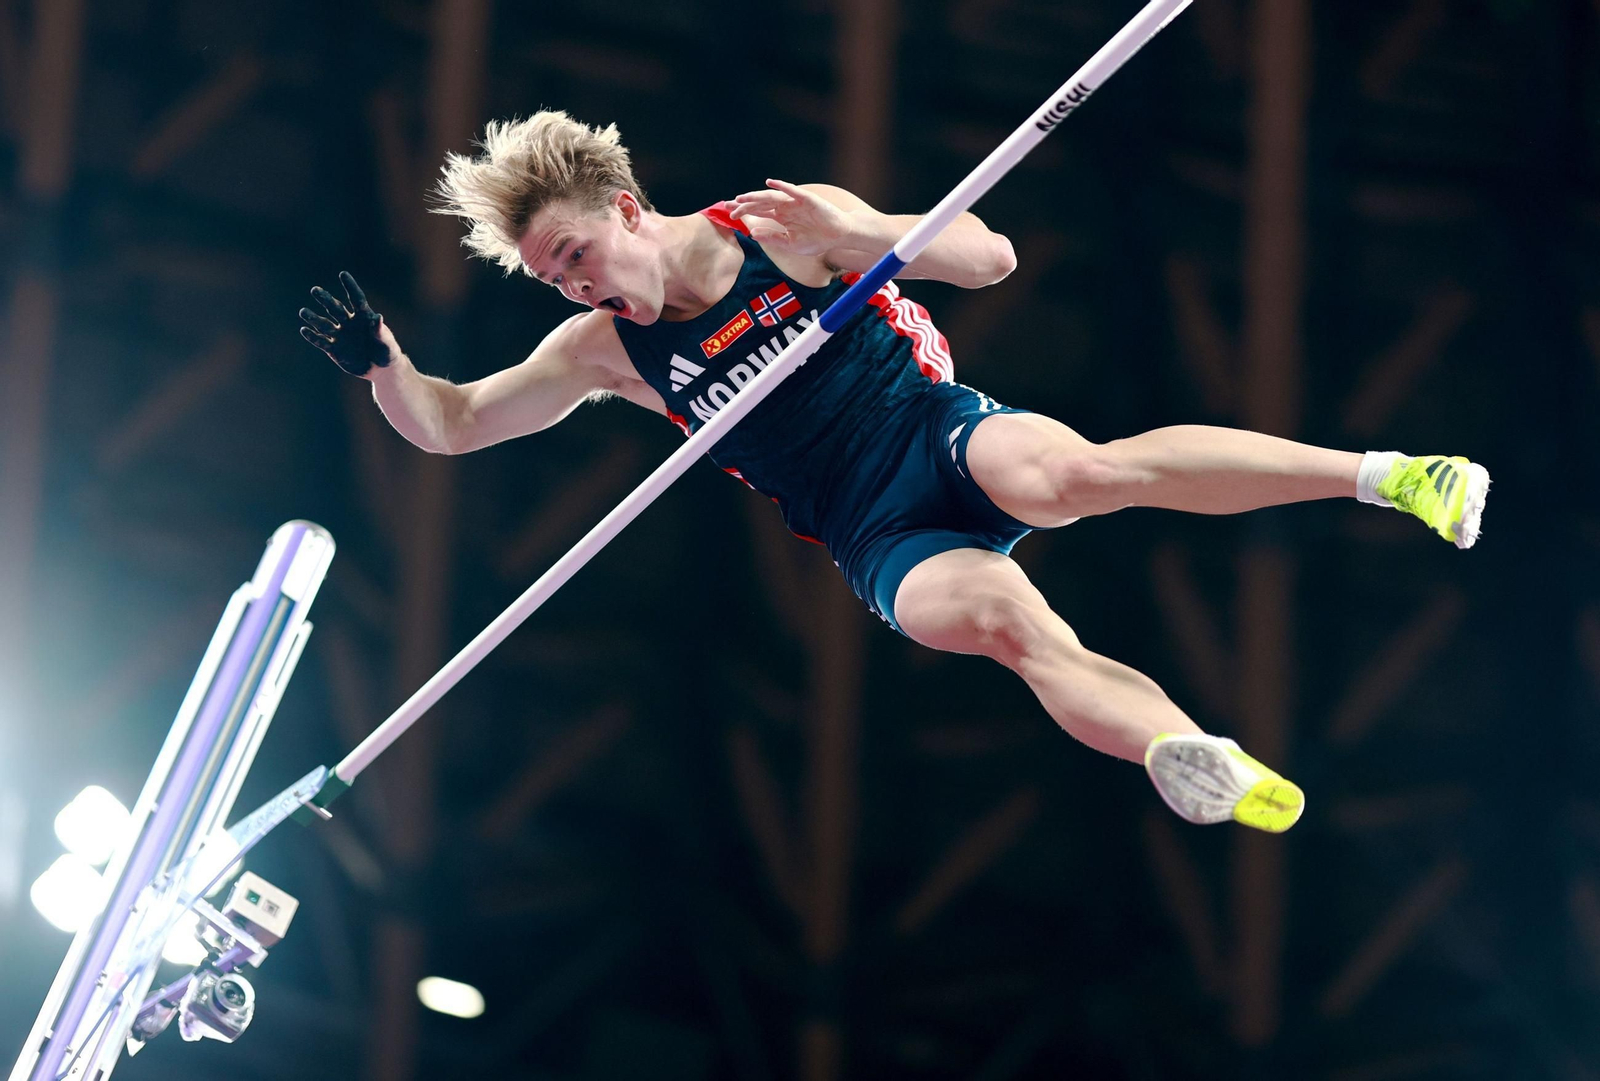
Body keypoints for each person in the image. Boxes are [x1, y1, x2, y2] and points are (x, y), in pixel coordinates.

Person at [298, 112, 1490, 834]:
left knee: (1075, 473)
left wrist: (860, 235)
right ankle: (1203, 760)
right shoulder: (602, 351)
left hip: (931, 431)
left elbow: (986, 256)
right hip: (874, 532)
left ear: (623, 206)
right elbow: (453, 427)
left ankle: (1389, 475)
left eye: (571, 254)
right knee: (1005, 628)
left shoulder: (776, 226)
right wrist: (384, 365)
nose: (571, 285)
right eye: (550, 279)